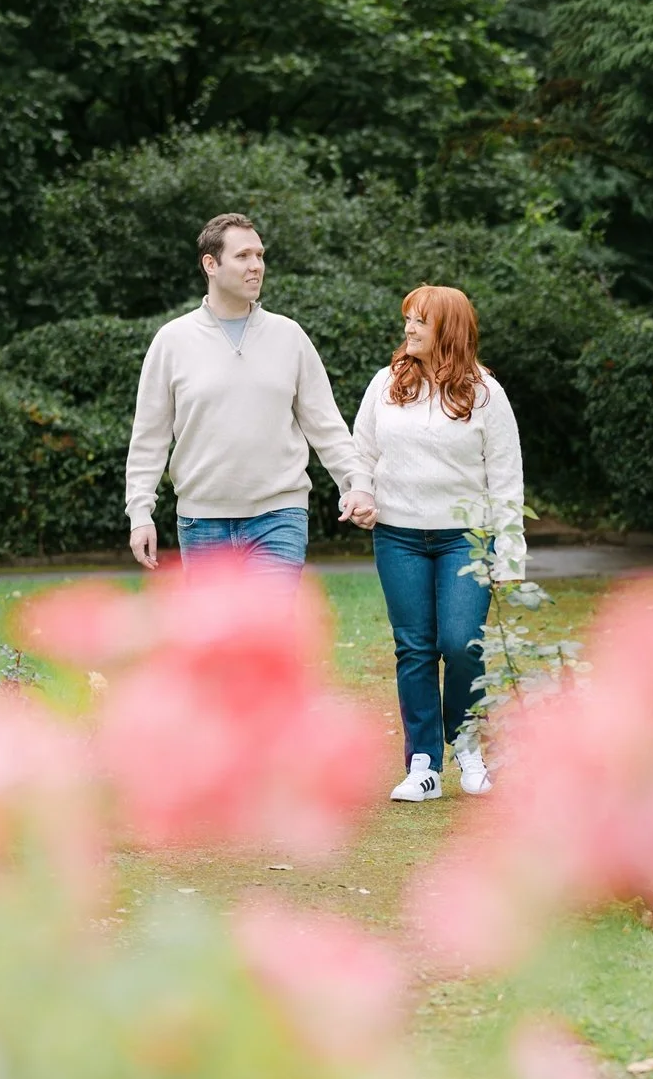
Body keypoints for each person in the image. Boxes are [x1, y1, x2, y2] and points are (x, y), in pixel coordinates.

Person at [125, 213, 376, 577]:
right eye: (243, 256)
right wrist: (139, 513)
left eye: (259, 256)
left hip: (280, 516)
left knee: (269, 631)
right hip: (202, 521)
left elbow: (326, 425)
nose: (256, 266)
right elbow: (149, 437)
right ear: (210, 264)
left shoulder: (289, 336)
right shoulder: (172, 341)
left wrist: (357, 483)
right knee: (215, 635)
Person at [350, 285, 525, 801]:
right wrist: (360, 492)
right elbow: (361, 454)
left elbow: (507, 479)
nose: (408, 329)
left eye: (419, 322)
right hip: (398, 536)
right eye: (407, 319)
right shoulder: (385, 384)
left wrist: (510, 553)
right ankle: (423, 764)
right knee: (415, 649)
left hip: (464, 540)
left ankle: (468, 746)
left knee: (461, 643)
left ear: (448, 330)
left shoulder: (487, 395)